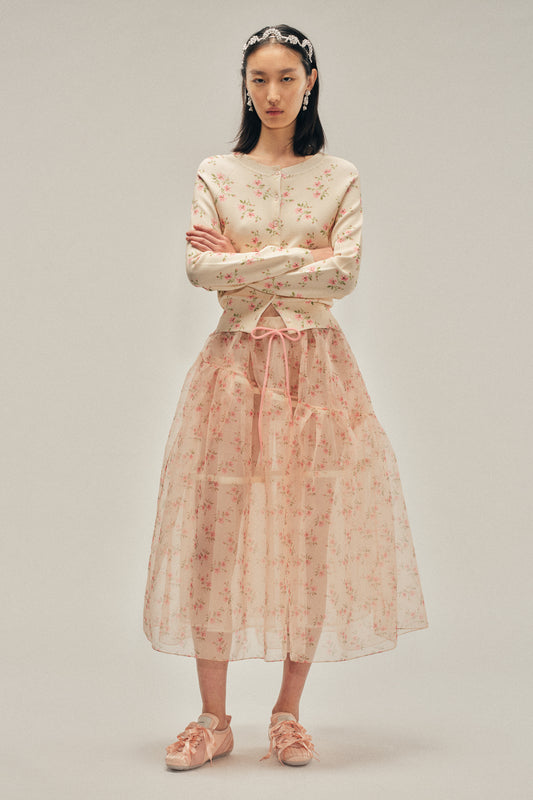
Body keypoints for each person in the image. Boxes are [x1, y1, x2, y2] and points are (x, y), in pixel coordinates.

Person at [143, 24, 428, 771]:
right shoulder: (217, 171)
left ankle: (288, 714)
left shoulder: (338, 176)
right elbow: (200, 271)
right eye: (259, 79)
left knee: (308, 533)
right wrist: (300, 255)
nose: (273, 93)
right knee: (215, 534)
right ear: (245, 86)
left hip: (315, 370)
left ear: (311, 82)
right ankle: (212, 718)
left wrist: (244, 259)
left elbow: (344, 275)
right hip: (233, 367)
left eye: (286, 78)